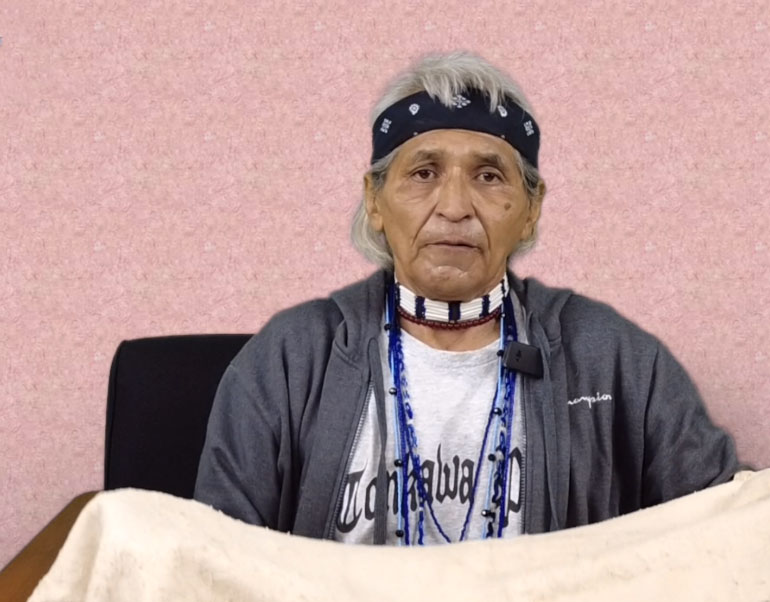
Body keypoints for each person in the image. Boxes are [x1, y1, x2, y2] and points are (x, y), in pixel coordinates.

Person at [193, 50, 740, 546]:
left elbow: (728, 529)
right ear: (375, 200)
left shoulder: (614, 356)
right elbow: (216, 565)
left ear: (531, 207)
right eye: (424, 172)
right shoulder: (290, 358)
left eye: (488, 175)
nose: (454, 205)